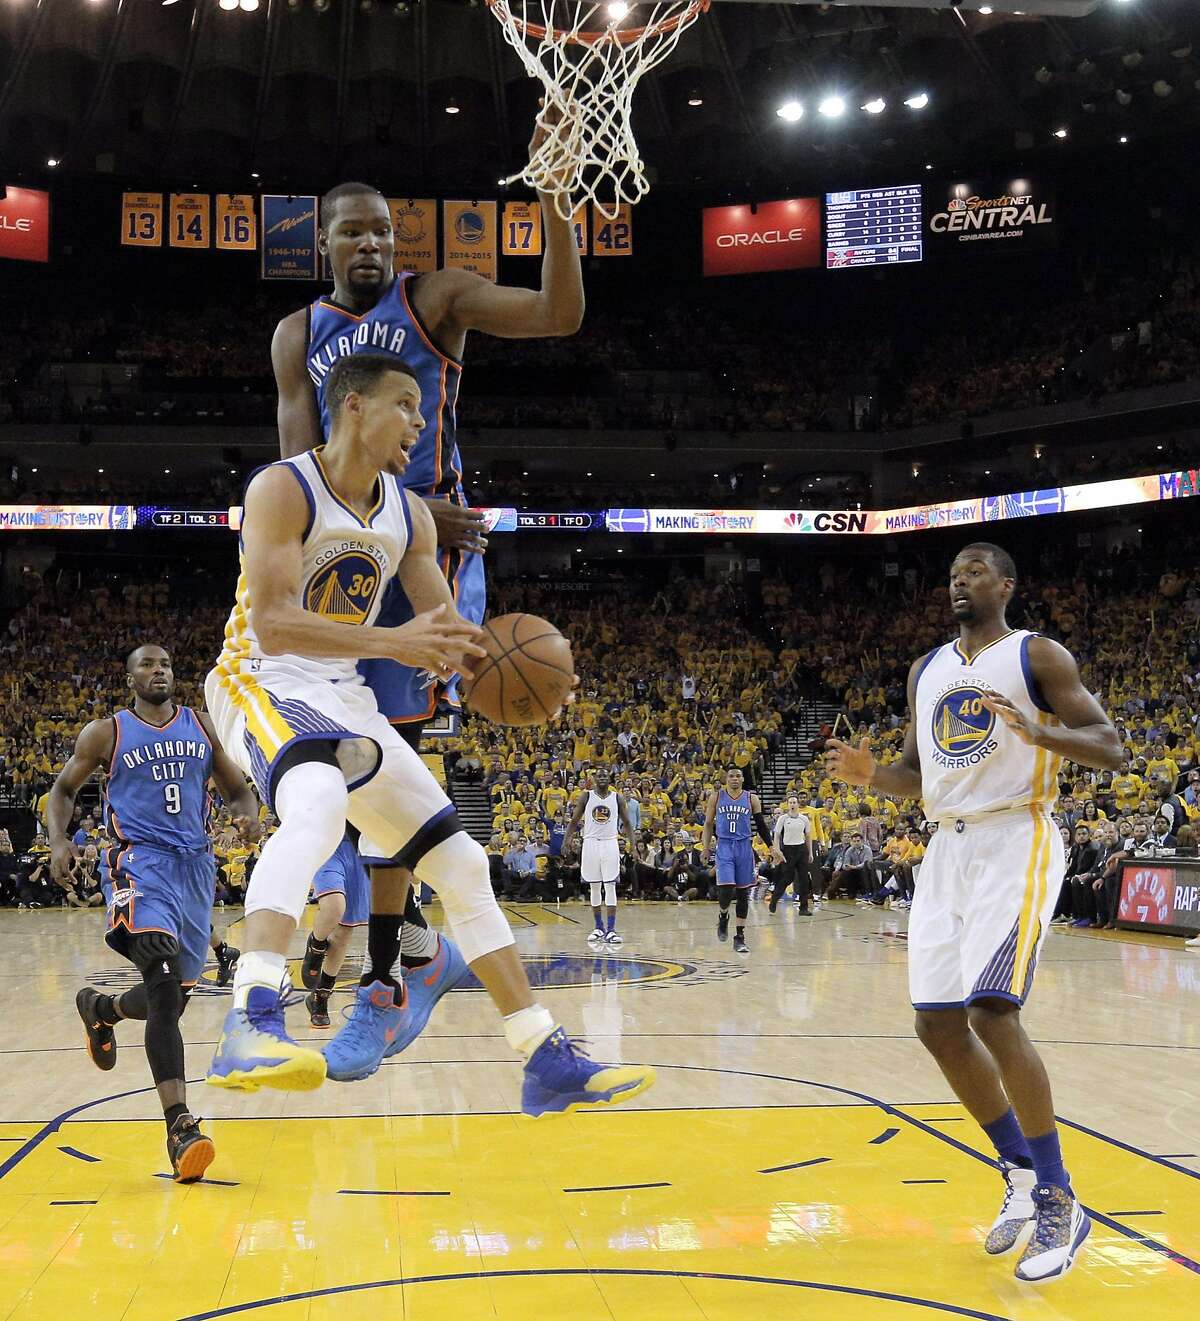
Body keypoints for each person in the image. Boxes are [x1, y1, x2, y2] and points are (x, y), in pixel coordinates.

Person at [204, 353, 654, 1116]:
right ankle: (250, 1016)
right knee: (313, 803)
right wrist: (397, 643)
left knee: (460, 859)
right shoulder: (282, 488)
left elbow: (447, 635)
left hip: (343, 694)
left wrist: (526, 677)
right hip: (262, 676)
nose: (419, 421)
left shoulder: (407, 514)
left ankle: (540, 1053)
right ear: (353, 407)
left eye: (421, 408)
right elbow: (275, 622)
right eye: (405, 404)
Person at [270, 116, 584, 1055]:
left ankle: (387, 973)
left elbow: (559, 314)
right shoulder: (297, 335)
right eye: (352, 231)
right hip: (346, 551)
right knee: (350, 758)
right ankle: (401, 950)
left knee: (390, 752)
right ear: (321, 240)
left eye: (383, 231)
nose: (370, 244)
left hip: (430, 557)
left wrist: (559, 209)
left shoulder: (434, 298)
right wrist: (392, 509)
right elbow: (297, 465)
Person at [826, 542, 1122, 1283]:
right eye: (953, 575)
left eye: (975, 572)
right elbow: (916, 775)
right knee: (936, 1024)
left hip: (1015, 835)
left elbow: (1112, 746)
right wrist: (873, 777)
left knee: (994, 1011)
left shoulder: (1037, 656)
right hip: (946, 849)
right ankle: (1020, 1175)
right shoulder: (925, 671)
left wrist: (1040, 732)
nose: (960, 582)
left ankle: (1061, 1196)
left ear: (1006, 584)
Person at [48, 643, 262, 1183]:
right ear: (130, 679)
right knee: (164, 983)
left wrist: (247, 818)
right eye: (146, 664)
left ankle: (102, 1009)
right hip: (138, 862)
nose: (158, 670)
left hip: (195, 868)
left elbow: (238, 791)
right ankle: (180, 1127)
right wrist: (57, 840)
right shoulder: (107, 732)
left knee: (173, 998)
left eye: (164, 663)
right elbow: (63, 789)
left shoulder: (201, 725)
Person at [702, 766, 776, 956]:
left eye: (738, 776)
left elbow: (760, 825)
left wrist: (772, 847)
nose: (734, 778)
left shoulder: (751, 798)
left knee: (743, 893)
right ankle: (724, 914)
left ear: (743, 779)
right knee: (726, 888)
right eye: (731, 776)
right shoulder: (716, 797)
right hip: (725, 845)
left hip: (744, 846)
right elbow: (709, 823)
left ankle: (740, 937)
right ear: (726, 779)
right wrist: (705, 847)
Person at [300, 829, 370, 1027]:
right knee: (334, 908)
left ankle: (320, 997)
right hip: (328, 843)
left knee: (344, 932)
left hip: (361, 846)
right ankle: (316, 946)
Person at [563, 767, 635, 946]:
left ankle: (611, 930)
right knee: (594, 886)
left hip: (610, 842)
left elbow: (627, 823)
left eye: (605, 775)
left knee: (610, 885)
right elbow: (574, 821)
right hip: (590, 842)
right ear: (594, 778)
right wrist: (567, 840)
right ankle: (598, 927)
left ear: (609, 778)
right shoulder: (586, 796)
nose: (602, 778)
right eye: (599, 775)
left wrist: (633, 846)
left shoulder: (616, 797)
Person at [769, 794, 813, 914]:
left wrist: (810, 853)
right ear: (787, 805)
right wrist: (778, 851)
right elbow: (776, 836)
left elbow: (808, 836)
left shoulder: (804, 819)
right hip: (788, 850)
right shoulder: (783, 818)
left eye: (794, 802)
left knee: (804, 879)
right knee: (787, 878)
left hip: (801, 849)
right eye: (791, 803)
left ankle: (803, 908)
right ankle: (774, 899)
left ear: (798, 804)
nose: (793, 804)